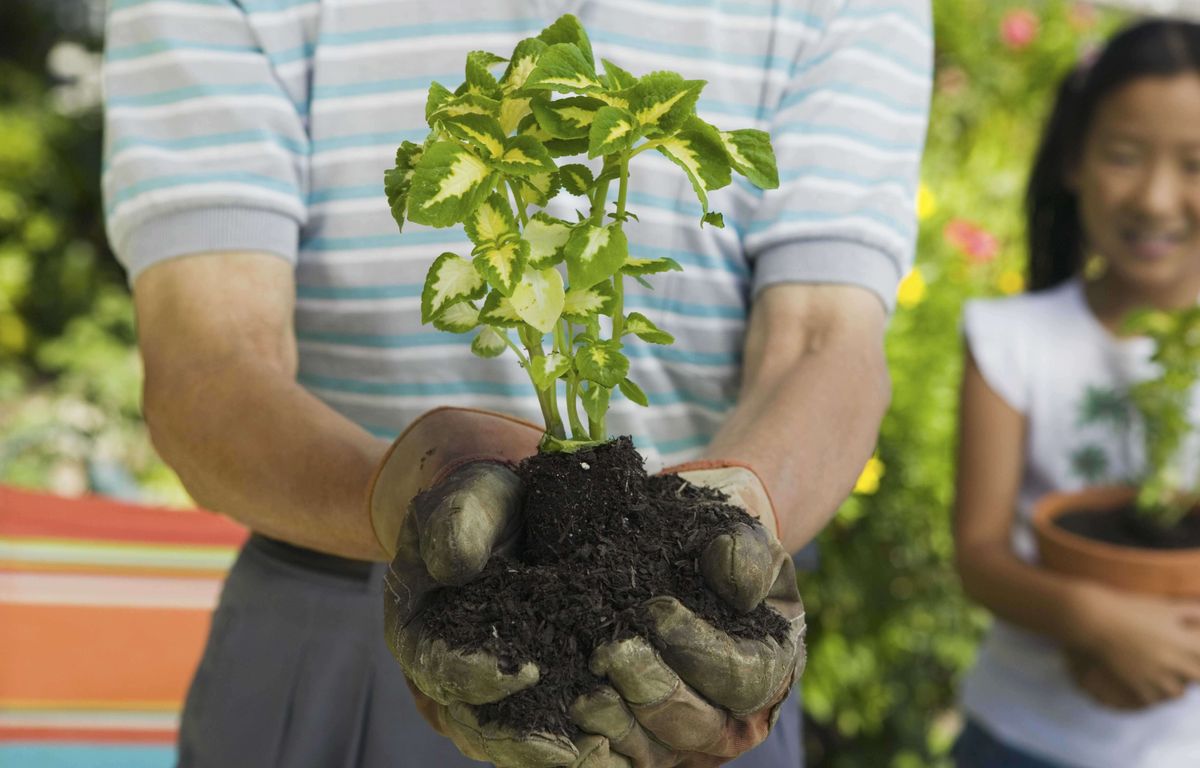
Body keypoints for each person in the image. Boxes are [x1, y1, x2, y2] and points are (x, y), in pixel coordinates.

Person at [101, 0, 931, 765]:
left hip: (694, 658)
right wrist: (407, 491)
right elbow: (206, 364)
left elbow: (825, 342)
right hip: (335, 621)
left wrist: (743, 509)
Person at [952, 19, 1200, 768]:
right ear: (1073, 159)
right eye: (1125, 156)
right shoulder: (1012, 339)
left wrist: (1164, 649)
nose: (1156, 199)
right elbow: (979, 552)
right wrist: (1090, 619)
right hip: (1021, 738)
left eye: (1194, 163)